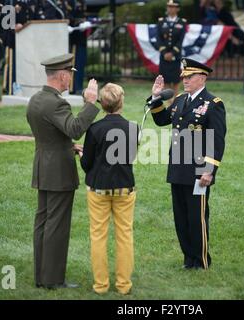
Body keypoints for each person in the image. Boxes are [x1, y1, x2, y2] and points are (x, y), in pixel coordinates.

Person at [26, 53, 99, 289]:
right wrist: (90, 103)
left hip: (43, 167)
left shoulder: (36, 99)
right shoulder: (57, 102)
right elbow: (75, 128)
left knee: (43, 222)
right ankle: (53, 280)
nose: (70, 81)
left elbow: (51, 134)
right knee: (56, 225)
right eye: (69, 76)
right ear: (62, 75)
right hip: (58, 171)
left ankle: (41, 276)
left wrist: (66, 146)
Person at [147, 58, 226, 270]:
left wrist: (209, 171)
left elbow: (217, 141)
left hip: (198, 171)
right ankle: (188, 259)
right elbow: (161, 119)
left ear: (202, 77)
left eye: (189, 77)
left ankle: (201, 260)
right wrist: (156, 97)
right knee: (181, 218)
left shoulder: (213, 104)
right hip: (177, 168)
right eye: (184, 76)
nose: (185, 80)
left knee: (196, 217)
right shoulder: (181, 99)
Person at [81, 83, 138, 295]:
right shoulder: (133, 128)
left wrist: (84, 156)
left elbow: (86, 163)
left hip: (99, 189)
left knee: (98, 236)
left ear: (102, 104)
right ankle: (124, 286)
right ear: (121, 102)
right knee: (124, 235)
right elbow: (129, 157)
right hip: (125, 188)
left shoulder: (94, 129)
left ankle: (101, 285)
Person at [2, 0, 39, 95]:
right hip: (13, 41)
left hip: (27, 41)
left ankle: (25, 88)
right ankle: (9, 88)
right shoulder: (10, 2)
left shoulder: (32, 2)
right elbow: (4, 22)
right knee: (12, 66)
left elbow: (36, 18)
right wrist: (13, 26)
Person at [157, 0, 187, 99]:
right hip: (164, 56)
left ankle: (175, 102)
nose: (170, 8)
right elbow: (159, 39)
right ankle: (167, 102)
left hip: (176, 56)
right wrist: (165, 53)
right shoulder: (161, 21)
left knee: (175, 80)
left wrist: (172, 53)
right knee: (164, 80)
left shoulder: (182, 22)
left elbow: (180, 40)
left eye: (173, 6)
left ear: (177, 8)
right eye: (169, 6)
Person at [69, 0, 88, 95]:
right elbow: (69, 17)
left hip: (81, 39)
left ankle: (79, 86)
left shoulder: (82, 2)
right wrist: (77, 23)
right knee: (74, 64)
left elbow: (82, 15)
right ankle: (73, 87)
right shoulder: (71, 2)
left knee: (81, 64)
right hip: (74, 39)